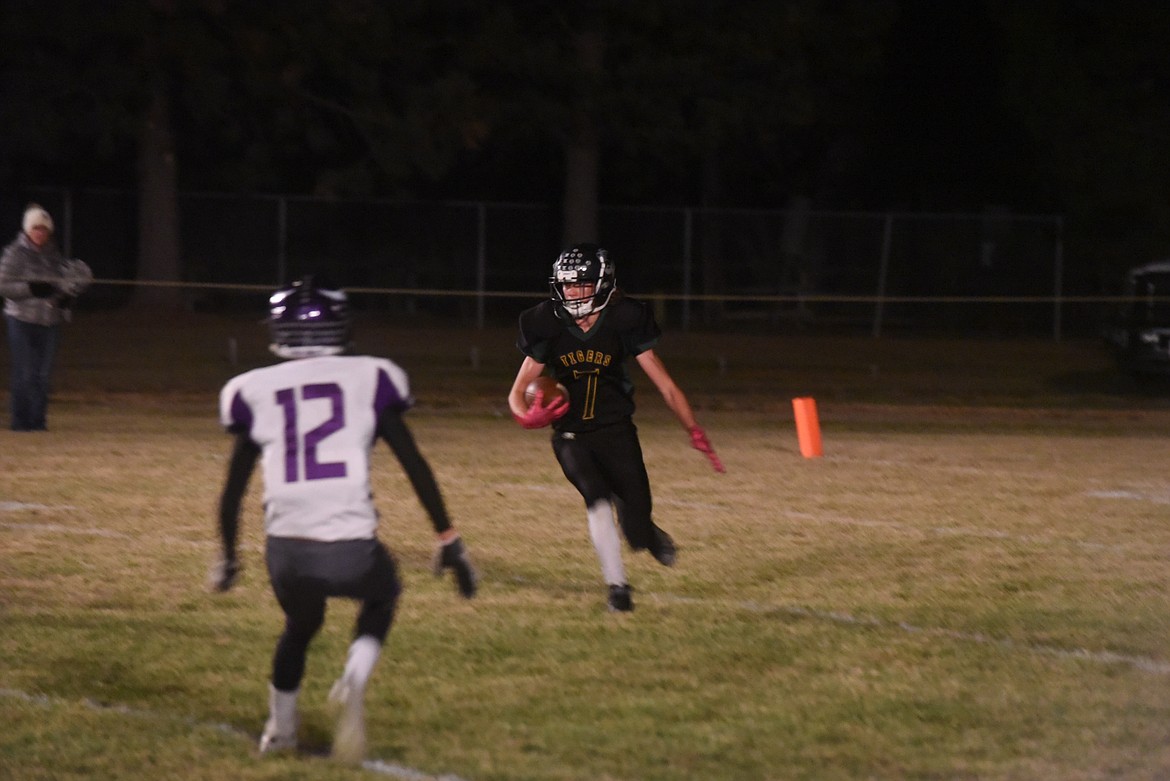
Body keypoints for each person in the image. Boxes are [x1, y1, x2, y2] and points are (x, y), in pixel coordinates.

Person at [210, 276, 477, 763]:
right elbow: (414, 464)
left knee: (300, 625)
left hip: (286, 549)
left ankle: (281, 731)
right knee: (383, 593)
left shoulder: (253, 389)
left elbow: (232, 492)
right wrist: (448, 536)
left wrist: (228, 558)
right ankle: (355, 672)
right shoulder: (372, 377)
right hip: (351, 546)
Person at [507, 243, 724, 613]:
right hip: (571, 433)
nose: (573, 293)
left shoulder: (625, 318)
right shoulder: (545, 322)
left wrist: (693, 429)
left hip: (616, 430)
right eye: (567, 286)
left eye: (582, 285)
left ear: (603, 284)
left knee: (636, 528)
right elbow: (517, 390)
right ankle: (618, 588)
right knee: (595, 496)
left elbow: (666, 385)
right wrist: (523, 416)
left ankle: (646, 533)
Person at [0, 203, 92, 431]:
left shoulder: (54, 255)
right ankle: (20, 423)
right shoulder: (14, 253)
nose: (39, 233)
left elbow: (60, 287)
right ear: (27, 230)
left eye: (43, 229)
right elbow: (4, 286)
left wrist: (66, 298)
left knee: (42, 374)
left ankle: (38, 422)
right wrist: (31, 290)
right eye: (35, 228)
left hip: (49, 322)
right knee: (24, 372)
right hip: (20, 320)